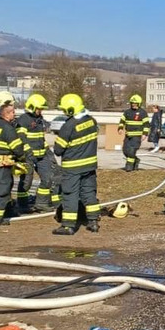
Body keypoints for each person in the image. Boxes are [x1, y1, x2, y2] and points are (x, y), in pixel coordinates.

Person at [52, 93, 100, 235]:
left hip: (73, 167)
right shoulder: (92, 121)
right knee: (89, 192)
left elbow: (58, 150)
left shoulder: (69, 126)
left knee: (70, 194)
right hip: (90, 166)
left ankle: (68, 225)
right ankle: (93, 222)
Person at [0, 91, 32, 226]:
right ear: (6, 111)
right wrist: (22, 159)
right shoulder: (6, 127)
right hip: (3, 162)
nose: (15, 115)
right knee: (2, 189)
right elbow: (17, 148)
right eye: (12, 111)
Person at [16, 94, 50, 213]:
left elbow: (41, 138)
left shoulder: (39, 120)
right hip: (28, 156)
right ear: (32, 107)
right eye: (39, 108)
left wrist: (48, 152)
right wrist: (27, 151)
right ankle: (22, 205)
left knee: (47, 179)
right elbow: (21, 137)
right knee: (26, 181)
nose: (41, 111)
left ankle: (41, 203)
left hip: (41, 156)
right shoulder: (23, 120)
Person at [117, 94, 148, 172]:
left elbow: (146, 124)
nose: (134, 105)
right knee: (125, 151)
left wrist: (145, 134)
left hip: (137, 136)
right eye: (132, 103)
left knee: (131, 151)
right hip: (128, 136)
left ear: (139, 104)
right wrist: (120, 128)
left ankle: (129, 167)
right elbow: (122, 121)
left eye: (135, 103)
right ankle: (136, 161)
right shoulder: (127, 112)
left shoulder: (143, 113)